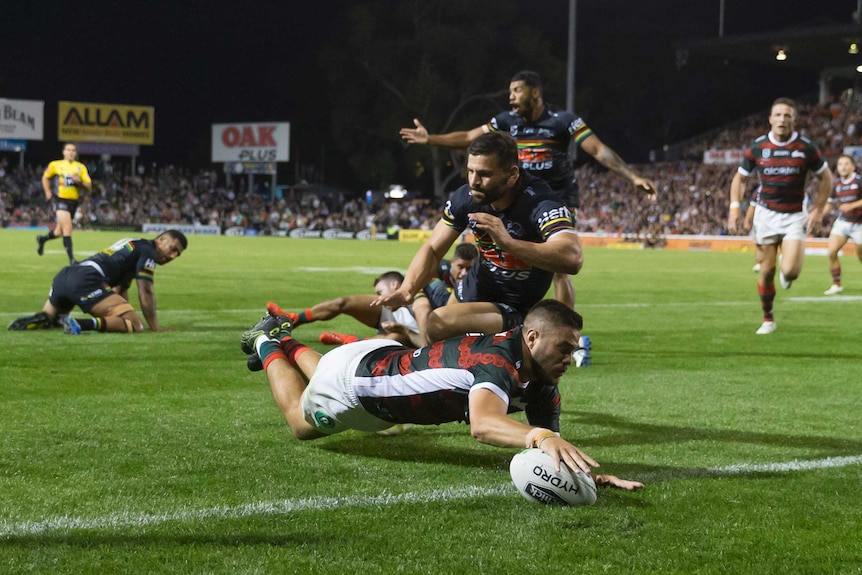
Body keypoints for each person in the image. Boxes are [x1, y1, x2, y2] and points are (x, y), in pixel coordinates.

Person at [240, 299, 643, 491]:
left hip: (374, 359)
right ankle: (265, 341)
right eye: (564, 349)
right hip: (358, 389)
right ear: (532, 337)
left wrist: (590, 479)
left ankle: (283, 338)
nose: (570, 359)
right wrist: (539, 435)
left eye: (574, 351)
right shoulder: (497, 362)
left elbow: (548, 449)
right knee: (299, 421)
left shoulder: (542, 385)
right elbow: (484, 426)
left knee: (327, 372)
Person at [400, 70, 657, 310]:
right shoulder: (505, 121)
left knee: (559, 268)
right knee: (498, 256)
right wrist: (430, 139)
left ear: (535, 92)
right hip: (515, 198)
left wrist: (631, 176)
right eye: (510, 91)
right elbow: (469, 138)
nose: (510, 96)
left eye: (516, 90)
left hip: (554, 200)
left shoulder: (563, 121)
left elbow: (597, 149)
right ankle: (490, 320)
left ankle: (563, 333)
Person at [375, 131, 583, 344]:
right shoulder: (466, 197)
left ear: (512, 175)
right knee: (435, 338)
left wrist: (509, 244)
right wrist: (407, 289)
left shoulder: (541, 203)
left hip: (516, 304)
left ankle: (521, 332)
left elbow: (572, 258)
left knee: (438, 323)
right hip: (477, 284)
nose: (474, 181)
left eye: (484, 174)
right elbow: (433, 248)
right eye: (470, 171)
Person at [728, 97, 833, 334]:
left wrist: (817, 209)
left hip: (794, 215)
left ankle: (789, 268)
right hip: (765, 214)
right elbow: (741, 177)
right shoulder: (757, 147)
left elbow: (826, 178)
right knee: (766, 271)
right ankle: (768, 319)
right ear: (770, 119)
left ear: (794, 120)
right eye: (778, 115)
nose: (782, 119)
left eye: (787, 115)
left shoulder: (806, 148)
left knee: (790, 272)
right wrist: (735, 207)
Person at [8, 230, 188, 334]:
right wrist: (156, 327)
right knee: (135, 324)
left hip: (65, 276)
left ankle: (46, 317)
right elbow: (146, 291)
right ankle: (80, 324)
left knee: (52, 320)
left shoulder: (135, 244)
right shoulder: (148, 251)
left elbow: (120, 288)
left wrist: (122, 308)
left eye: (177, 255)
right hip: (87, 279)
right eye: (172, 249)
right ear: (162, 239)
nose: (172, 256)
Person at [266, 271, 423, 347]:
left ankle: (349, 341)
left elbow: (428, 342)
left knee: (392, 340)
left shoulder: (420, 302)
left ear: (394, 285)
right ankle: (294, 319)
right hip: (391, 313)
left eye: (380, 293)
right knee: (342, 302)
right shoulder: (389, 305)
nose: (378, 297)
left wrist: (403, 330)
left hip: (410, 338)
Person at [38, 142, 92, 266]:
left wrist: (80, 182)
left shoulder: (81, 167)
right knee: (68, 228)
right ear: (63, 152)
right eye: (68, 150)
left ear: (76, 153)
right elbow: (45, 177)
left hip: (73, 201)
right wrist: (47, 191)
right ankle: (72, 260)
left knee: (59, 232)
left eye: (73, 150)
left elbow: (89, 186)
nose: (71, 152)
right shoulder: (56, 165)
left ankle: (42, 239)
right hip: (59, 199)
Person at [824, 154, 862, 295]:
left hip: (859, 224)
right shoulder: (837, 184)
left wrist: (852, 205)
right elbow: (830, 202)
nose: (843, 167)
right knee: (832, 252)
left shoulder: (859, 181)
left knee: (861, 257)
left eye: (846, 164)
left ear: (852, 167)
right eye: (840, 164)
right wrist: (818, 215)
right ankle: (836, 284)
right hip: (843, 222)